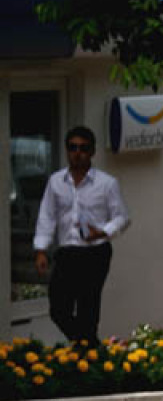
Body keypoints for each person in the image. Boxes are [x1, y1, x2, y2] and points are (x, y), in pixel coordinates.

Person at [33, 126, 130, 345]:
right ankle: (90, 347)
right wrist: (41, 250)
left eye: (83, 148)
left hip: (95, 253)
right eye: (73, 147)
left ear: (92, 151)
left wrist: (103, 232)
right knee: (59, 309)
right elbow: (46, 216)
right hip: (67, 252)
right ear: (67, 150)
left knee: (88, 308)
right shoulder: (56, 182)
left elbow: (122, 217)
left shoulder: (107, 183)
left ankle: (86, 354)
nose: (78, 153)